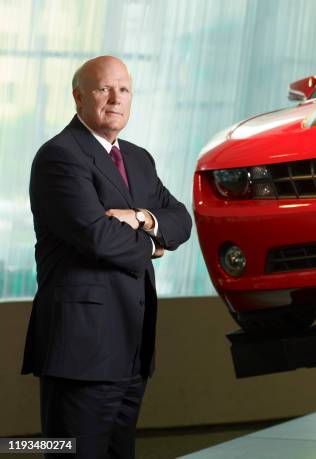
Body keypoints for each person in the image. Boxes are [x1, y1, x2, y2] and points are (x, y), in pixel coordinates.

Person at [21, 55, 192, 458]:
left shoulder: (139, 159)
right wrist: (153, 242)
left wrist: (140, 216)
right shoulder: (60, 157)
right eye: (104, 89)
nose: (116, 98)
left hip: (131, 349)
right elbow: (99, 238)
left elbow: (181, 220)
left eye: (125, 89)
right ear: (78, 96)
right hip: (82, 354)